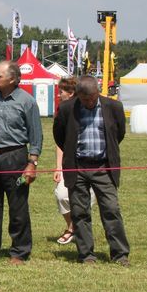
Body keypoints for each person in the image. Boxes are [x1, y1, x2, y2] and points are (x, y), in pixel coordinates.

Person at [53, 75, 130, 266]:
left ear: (98, 92)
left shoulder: (113, 107)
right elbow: (59, 135)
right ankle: (86, 254)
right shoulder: (66, 108)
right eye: (85, 99)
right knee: (79, 212)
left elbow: (118, 133)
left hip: (104, 166)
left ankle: (120, 254)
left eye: (93, 98)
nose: (89, 102)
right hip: (77, 167)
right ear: (77, 95)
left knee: (111, 209)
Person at [0, 61, 42, 264]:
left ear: (12, 79)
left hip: (16, 158)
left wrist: (32, 163)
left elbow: (35, 135)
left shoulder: (27, 101)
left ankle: (19, 251)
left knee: (17, 206)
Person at [52, 77, 95, 245]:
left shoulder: (89, 109)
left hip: (91, 164)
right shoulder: (62, 110)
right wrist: (58, 167)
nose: (58, 94)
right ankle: (72, 227)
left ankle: (76, 231)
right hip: (69, 163)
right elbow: (60, 141)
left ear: (71, 93)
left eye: (61, 91)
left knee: (86, 200)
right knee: (62, 195)